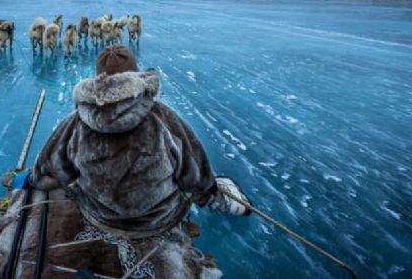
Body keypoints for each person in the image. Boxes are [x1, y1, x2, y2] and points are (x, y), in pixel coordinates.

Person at [30, 44, 250, 240]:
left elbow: (48, 174)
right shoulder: (163, 117)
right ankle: (222, 201)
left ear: (98, 78)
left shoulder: (75, 123)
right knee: (194, 182)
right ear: (136, 75)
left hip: (100, 217)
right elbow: (195, 176)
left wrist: (34, 179)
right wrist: (208, 187)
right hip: (158, 220)